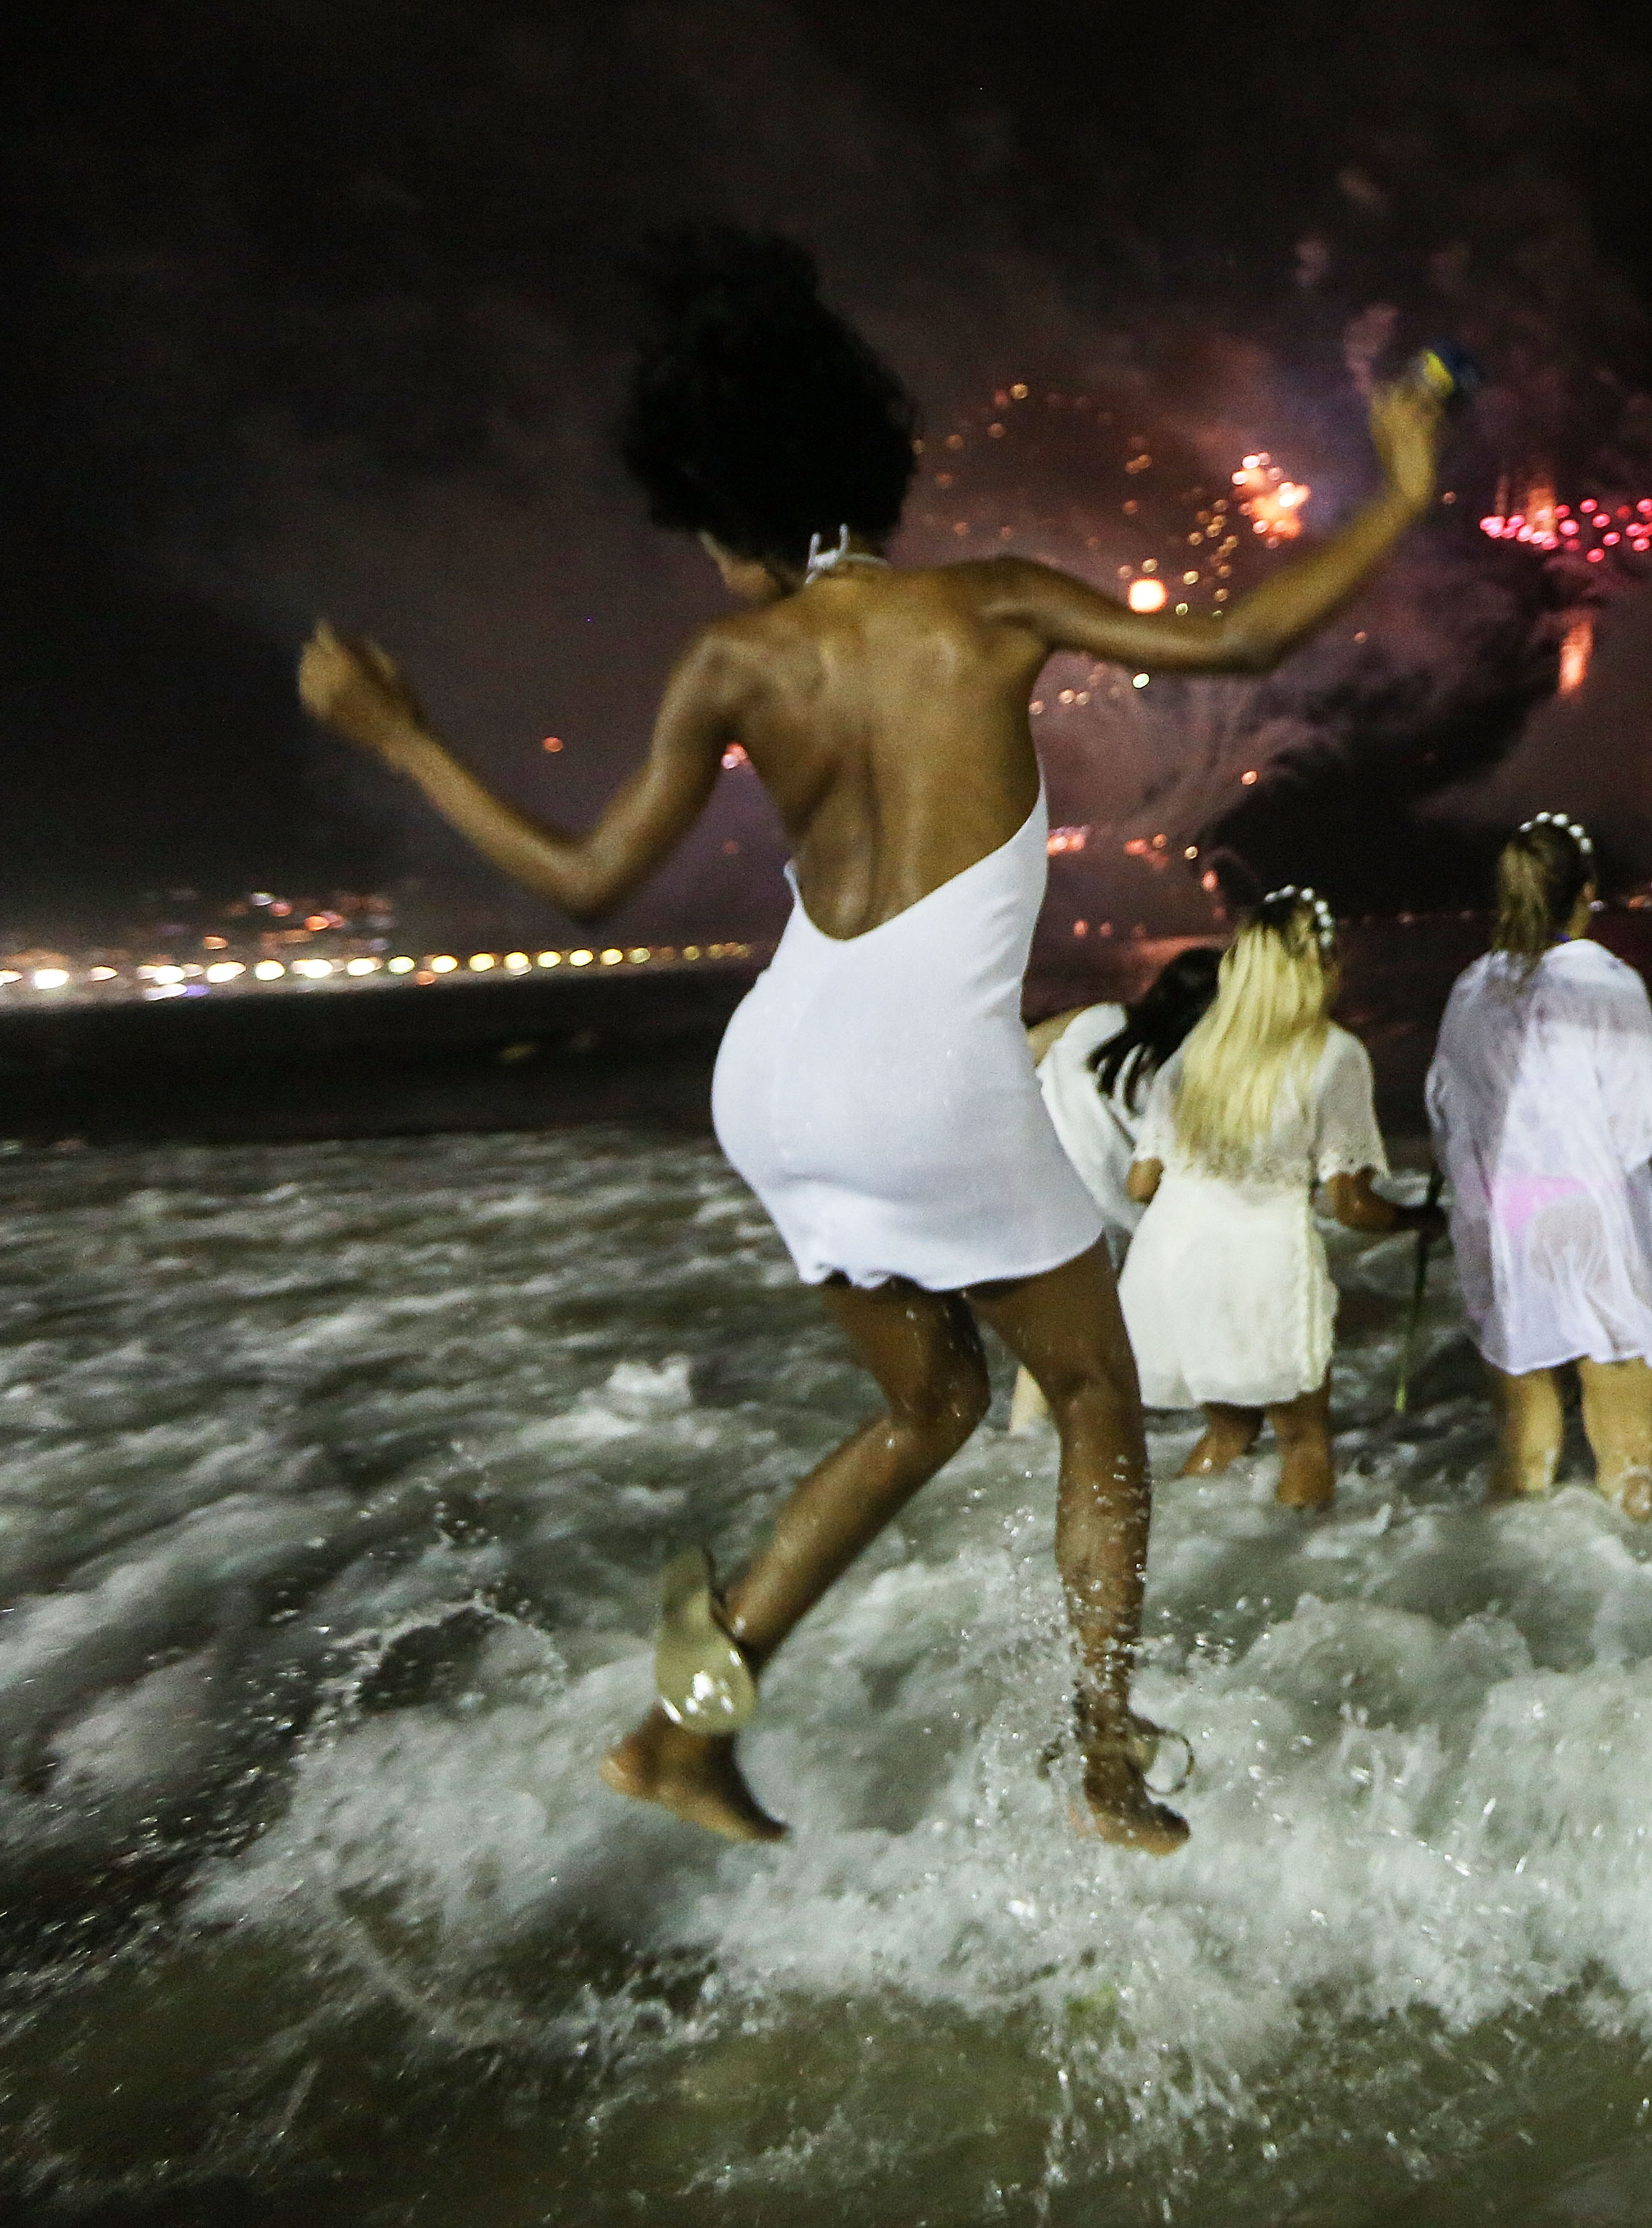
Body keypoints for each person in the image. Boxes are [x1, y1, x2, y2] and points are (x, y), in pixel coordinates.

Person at [292, 229, 1445, 1854]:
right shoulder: (989, 607)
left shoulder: (732, 661)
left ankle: (680, 1734)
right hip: (918, 1078)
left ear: (726, 505)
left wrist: (406, 738)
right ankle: (1108, 1762)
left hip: (774, 1076)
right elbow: (1248, 645)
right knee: (1098, 1399)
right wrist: (1398, 492)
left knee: (931, 1408)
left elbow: (582, 882)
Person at [1117, 889, 1429, 1512]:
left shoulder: (1195, 1052)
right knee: (1303, 1440)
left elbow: (1141, 1185)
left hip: (1171, 1263)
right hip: (1262, 1265)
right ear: (1318, 965)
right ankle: (1301, 1590)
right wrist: (1422, 1218)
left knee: (1227, 1430)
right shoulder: (1334, 1053)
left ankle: (1173, 1551)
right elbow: (1351, 1207)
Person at [1425, 811, 1652, 1517]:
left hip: (1506, 1219)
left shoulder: (1471, 987)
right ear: (1585, 893)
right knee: (1630, 1458)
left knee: (1521, 1454)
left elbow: (1445, 1107)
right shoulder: (1606, 982)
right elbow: (1642, 1123)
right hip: (1591, 1207)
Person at [1008, 946, 1223, 1436]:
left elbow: (1022, 1054)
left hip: (1026, 1188)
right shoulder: (1186, 1075)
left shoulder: (1099, 1018)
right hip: (1104, 1219)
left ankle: (1023, 1446)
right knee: (1092, 1347)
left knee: (1053, 1339)